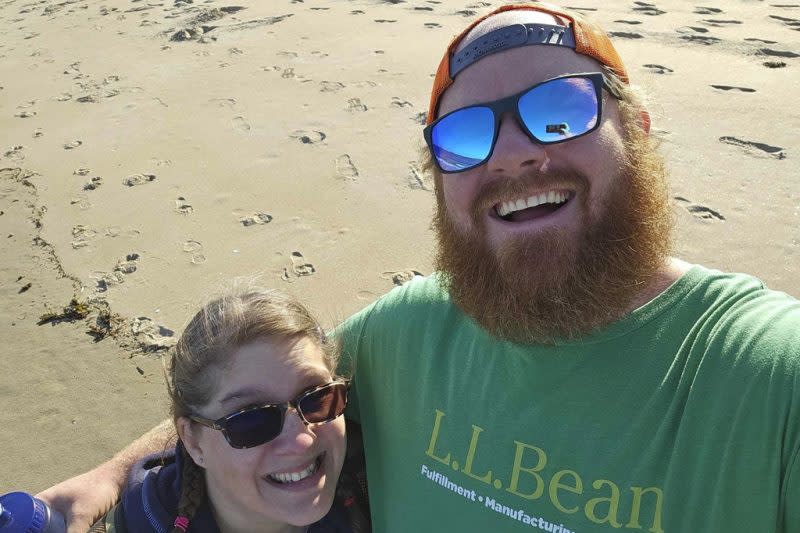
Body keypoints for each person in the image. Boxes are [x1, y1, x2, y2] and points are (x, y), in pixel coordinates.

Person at [39, 3, 799, 532]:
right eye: (464, 136)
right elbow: (245, 398)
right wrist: (108, 476)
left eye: (559, 110)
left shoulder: (762, 371)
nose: (511, 154)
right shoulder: (409, 330)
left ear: (634, 128)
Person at [86, 287, 369, 532]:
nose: (301, 440)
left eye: (317, 398)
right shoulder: (140, 522)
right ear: (193, 441)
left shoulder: (374, 488)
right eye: (251, 420)